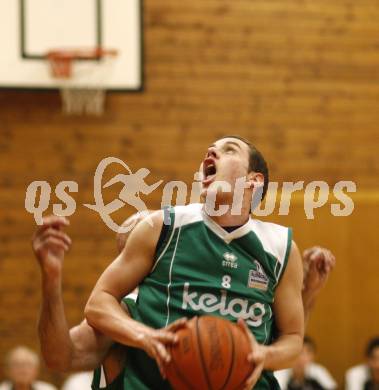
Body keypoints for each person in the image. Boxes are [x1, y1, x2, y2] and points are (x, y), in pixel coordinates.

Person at [82, 135, 306, 390]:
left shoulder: (280, 247)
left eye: (229, 149)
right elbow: (98, 303)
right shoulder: (162, 226)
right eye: (210, 149)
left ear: (253, 181)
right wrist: (146, 337)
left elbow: (293, 338)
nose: (211, 151)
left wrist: (264, 355)